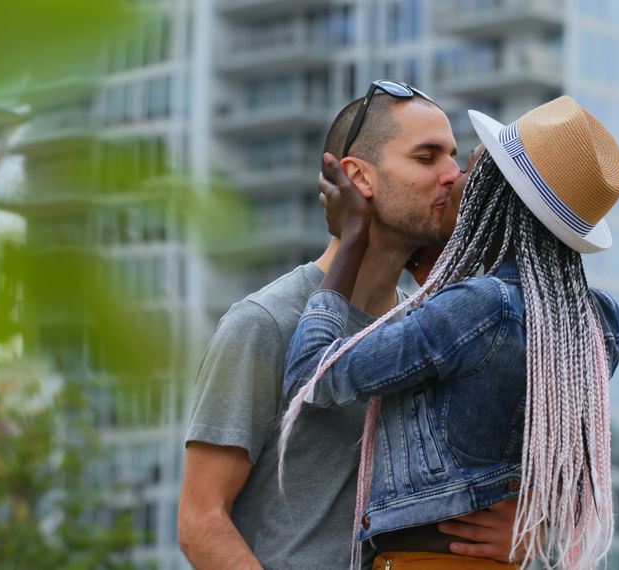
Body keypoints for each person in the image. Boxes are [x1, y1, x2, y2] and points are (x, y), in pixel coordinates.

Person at [178, 81, 518, 569]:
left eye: (453, 157)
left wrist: (531, 532)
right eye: (426, 158)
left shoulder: (433, 331)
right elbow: (201, 521)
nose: (452, 175)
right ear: (358, 176)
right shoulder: (266, 322)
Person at [281, 96, 619, 569]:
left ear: (490, 195)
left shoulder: (477, 309)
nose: (453, 178)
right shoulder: (594, 322)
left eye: (468, 168)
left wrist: (352, 240)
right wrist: (538, 528)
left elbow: (311, 377)